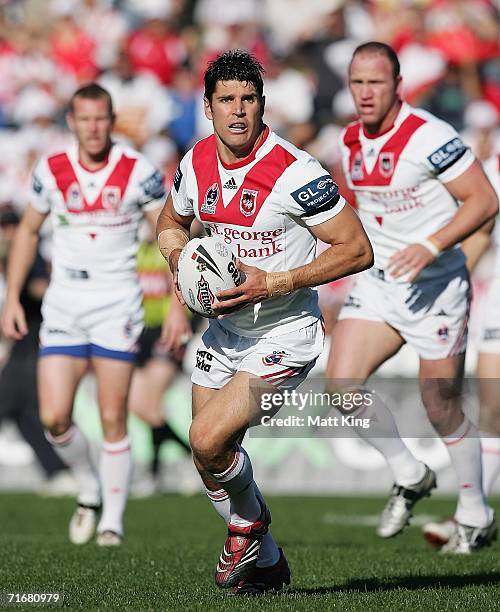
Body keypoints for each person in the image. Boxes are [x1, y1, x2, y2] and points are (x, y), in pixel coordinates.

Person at [156, 49, 373, 595]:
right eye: (226, 100)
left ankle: (248, 526)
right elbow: (171, 219)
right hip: (226, 331)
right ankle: (270, 561)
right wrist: (178, 260)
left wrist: (274, 282)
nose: (238, 111)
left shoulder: (296, 171)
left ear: (262, 104)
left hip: (286, 332)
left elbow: (356, 249)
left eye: (248, 99)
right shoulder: (197, 161)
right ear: (207, 107)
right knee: (209, 459)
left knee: (206, 438)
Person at [325, 42, 499, 553]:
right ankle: (409, 472)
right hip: (381, 284)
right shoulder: (351, 138)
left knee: (440, 405)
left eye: (376, 83)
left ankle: (474, 512)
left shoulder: (429, 136)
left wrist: (431, 246)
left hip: (438, 287)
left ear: (398, 85)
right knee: (340, 386)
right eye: (357, 83)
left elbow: (485, 200)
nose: (365, 93)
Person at [0, 83, 190, 546]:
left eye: (101, 118)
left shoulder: (137, 172)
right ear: (71, 122)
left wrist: (178, 307)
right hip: (64, 302)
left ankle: (113, 519)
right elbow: (27, 232)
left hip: (116, 303)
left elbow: (172, 237)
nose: (93, 128)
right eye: (84, 119)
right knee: (54, 418)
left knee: (112, 416)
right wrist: (11, 300)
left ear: (112, 120)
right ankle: (88, 488)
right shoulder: (52, 169)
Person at [423, 154, 500, 548]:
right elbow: (482, 230)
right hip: (499, 295)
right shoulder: (493, 166)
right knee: (492, 409)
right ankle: (474, 517)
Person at [0, 208, 75, 494]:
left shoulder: (27, 259)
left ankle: (61, 470)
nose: (6, 234)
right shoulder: (13, 260)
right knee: (23, 414)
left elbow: (41, 286)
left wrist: (36, 289)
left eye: (10, 228)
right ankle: (56, 470)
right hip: (23, 346)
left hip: (34, 344)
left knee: (29, 410)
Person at [128, 235, 191, 494]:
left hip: (168, 332)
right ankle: (191, 458)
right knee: (140, 407)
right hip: (141, 334)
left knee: (151, 406)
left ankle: (154, 474)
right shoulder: (137, 252)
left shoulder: (170, 254)